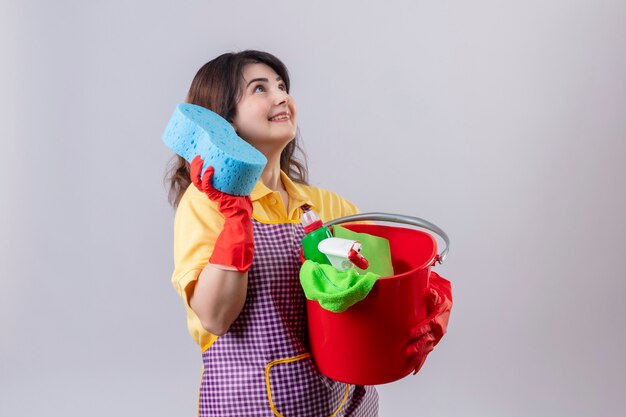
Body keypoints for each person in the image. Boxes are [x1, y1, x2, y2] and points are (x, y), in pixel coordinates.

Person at [165, 50, 452, 417]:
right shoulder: (205, 203)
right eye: (260, 89)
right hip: (252, 406)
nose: (282, 96)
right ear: (225, 120)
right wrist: (237, 220)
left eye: (282, 86)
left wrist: (430, 303)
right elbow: (215, 317)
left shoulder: (326, 206)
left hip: (346, 405)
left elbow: (386, 282)